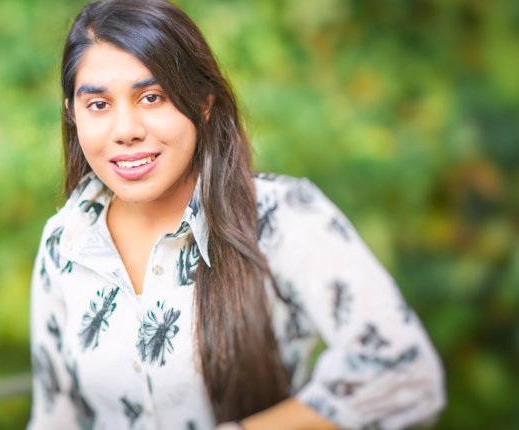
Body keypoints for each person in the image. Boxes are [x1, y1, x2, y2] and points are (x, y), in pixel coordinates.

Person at [27, 1, 446, 429]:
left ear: (204, 103)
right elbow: (54, 416)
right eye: (97, 104)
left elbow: (404, 371)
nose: (125, 129)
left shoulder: (281, 217)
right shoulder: (65, 241)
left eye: (151, 97)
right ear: (71, 113)